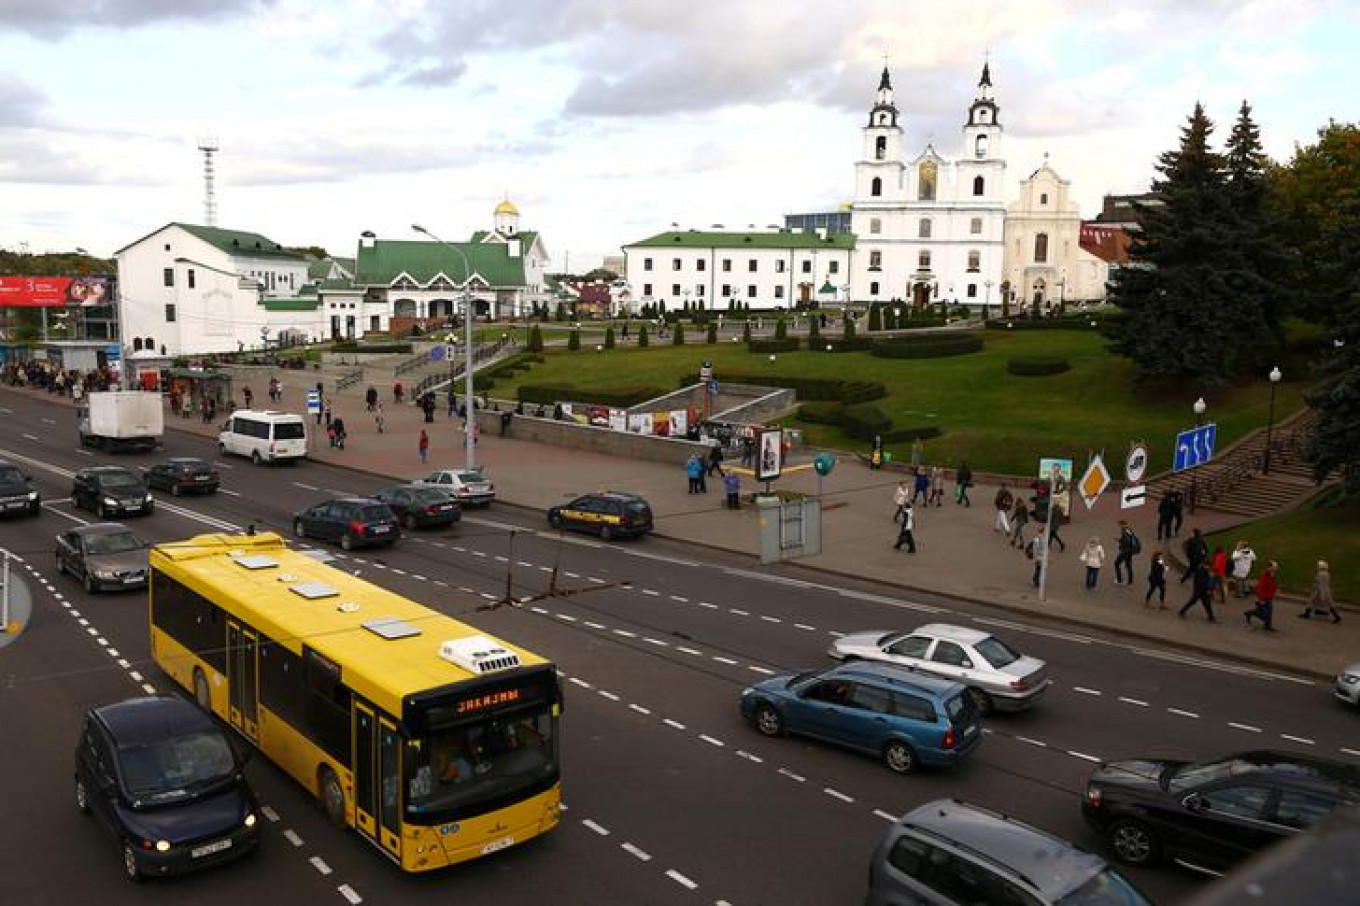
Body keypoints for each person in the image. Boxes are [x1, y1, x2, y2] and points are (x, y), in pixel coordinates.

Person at [1246, 560, 1280, 631]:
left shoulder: (1272, 575)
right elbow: (1260, 588)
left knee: (1269, 612)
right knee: (1264, 614)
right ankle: (1250, 613)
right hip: (1264, 597)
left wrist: (1275, 591)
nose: (1275, 568)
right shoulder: (1264, 576)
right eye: (1274, 567)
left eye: (1276, 567)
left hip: (1269, 597)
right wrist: (1261, 599)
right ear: (1269, 567)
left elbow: (1273, 585)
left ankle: (1267, 626)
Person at [1113, 520, 1140, 585]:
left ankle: (1119, 580)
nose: (1119, 526)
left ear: (1122, 525)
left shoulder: (1124, 531)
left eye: (1119, 525)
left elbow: (1125, 542)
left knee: (1116, 563)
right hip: (1130, 551)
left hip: (1125, 551)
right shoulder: (1129, 530)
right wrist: (1119, 540)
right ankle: (1130, 581)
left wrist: (1120, 544)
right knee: (1128, 565)